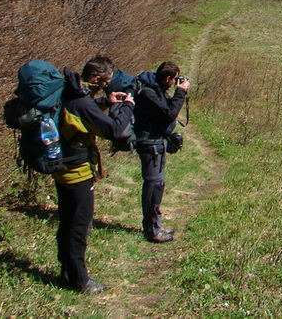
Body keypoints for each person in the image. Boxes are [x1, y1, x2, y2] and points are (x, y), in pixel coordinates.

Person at [54, 55, 134, 293]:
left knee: (67, 223)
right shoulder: (82, 103)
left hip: (63, 168)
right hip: (77, 173)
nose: (107, 86)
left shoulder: (71, 93)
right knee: (79, 226)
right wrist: (127, 107)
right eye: (106, 82)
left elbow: (81, 115)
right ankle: (79, 280)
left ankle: (68, 270)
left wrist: (105, 103)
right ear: (97, 78)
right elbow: (116, 131)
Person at [133, 61, 189, 243]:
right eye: (174, 80)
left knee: (157, 184)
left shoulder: (156, 90)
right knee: (154, 186)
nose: (174, 83)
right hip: (150, 145)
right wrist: (180, 93)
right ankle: (152, 230)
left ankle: (155, 225)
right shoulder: (148, 93)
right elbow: (169, 114)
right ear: (167, 78)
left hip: (155, 144)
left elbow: (166, 111)